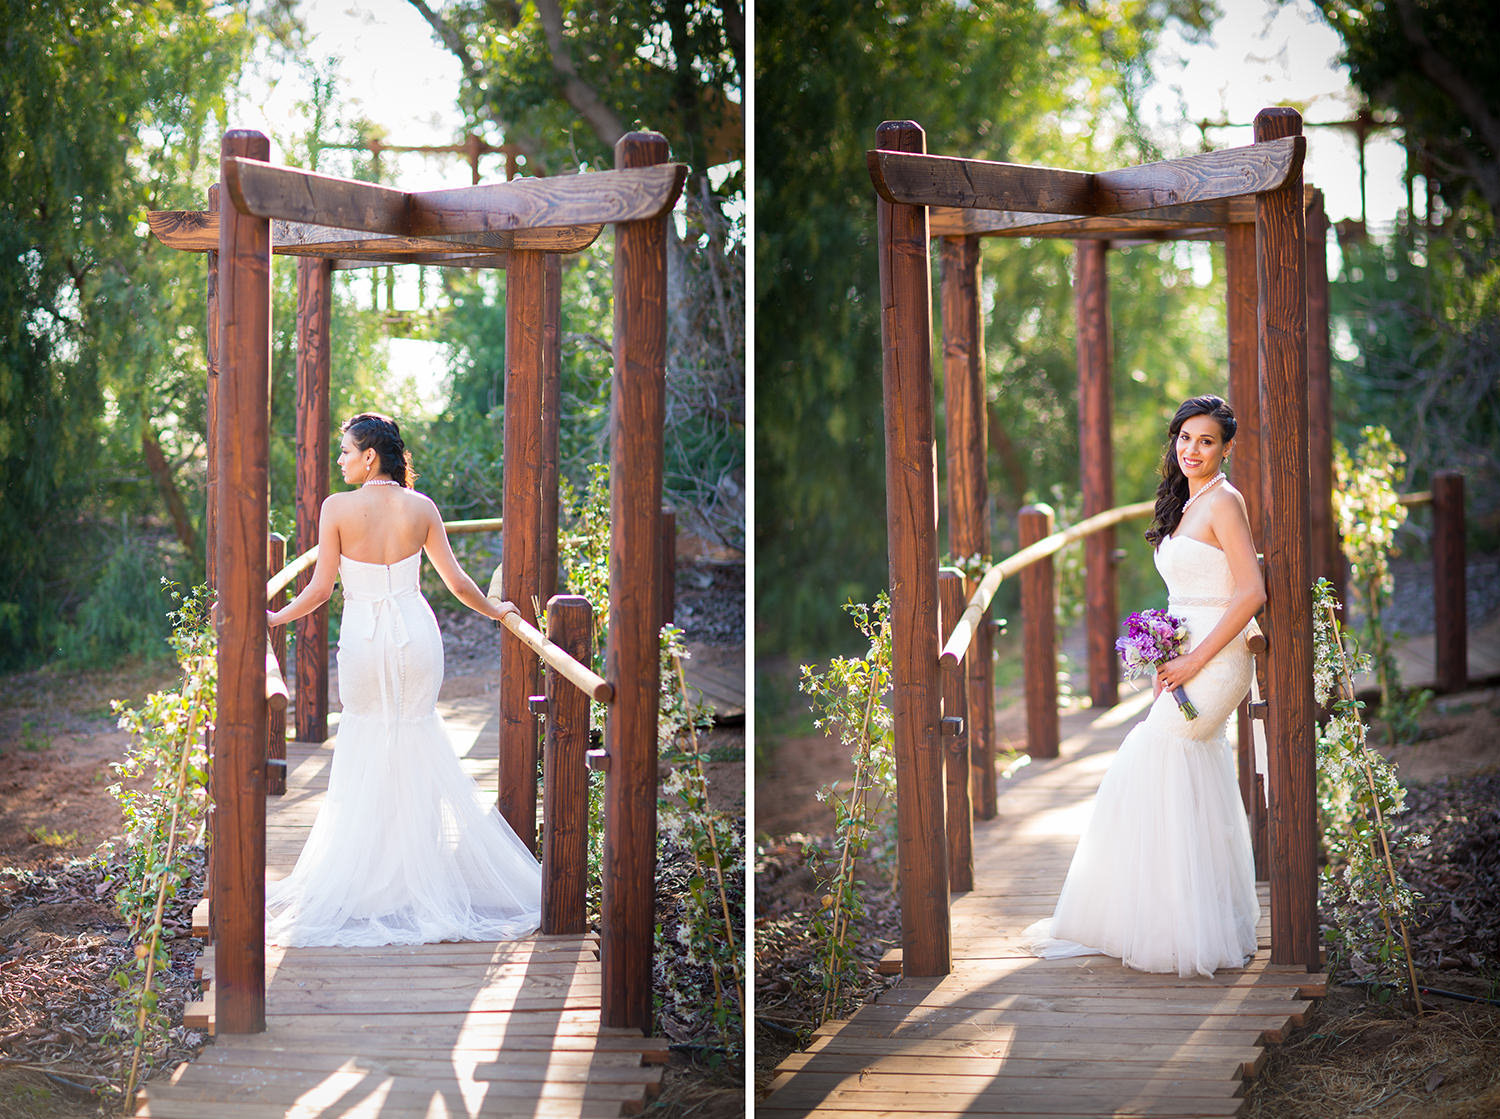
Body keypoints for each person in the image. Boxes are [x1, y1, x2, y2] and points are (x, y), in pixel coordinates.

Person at [264, 412, 542, 946]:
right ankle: (416, 878)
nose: (340, 459)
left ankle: (372, 880)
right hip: (417, 637)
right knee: (414, 739)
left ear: (371, 456)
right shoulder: (422, 508)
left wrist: (275, 618)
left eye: (346, 451)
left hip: (367, 640)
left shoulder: (337, 509)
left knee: (367, 740)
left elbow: (321, 590)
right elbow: (458, 584)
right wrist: (498, 610)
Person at [1025, 395, 1266, 977]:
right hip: (1186, 653)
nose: (1193, 450)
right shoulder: (1186, 502)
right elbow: (1183, 592)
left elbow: (1250, 593)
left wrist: (1193, 662)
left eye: (1207, 441)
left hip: (1221, 655)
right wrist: (1165, 652)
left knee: (1157, 752)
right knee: (1182, 763)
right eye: (1185, 438)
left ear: (1226, 447)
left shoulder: (1225, 502)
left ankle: (1175, 923)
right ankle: (1184, 917)